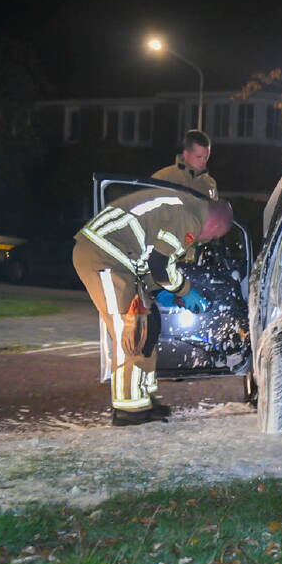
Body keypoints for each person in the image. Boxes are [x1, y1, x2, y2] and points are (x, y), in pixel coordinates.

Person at [72, 188, 233, 426]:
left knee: (150, 325)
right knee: (130, 331)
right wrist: (185, 291)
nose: (209, 240)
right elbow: (160, 265)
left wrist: (159, 291)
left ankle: (142, 399)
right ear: (215, 225)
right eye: (216, 235)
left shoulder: (184, 209)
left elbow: (148, 258)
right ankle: (127, 409)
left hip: (120, 259)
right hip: (104, 257)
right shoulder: (188, 217)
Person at [153, 129, 218, 200]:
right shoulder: (163, 177)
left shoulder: (209, 183)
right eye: (198, 157)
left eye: (206, 157)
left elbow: (213, 209)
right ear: (186, 154)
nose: (203, 161)